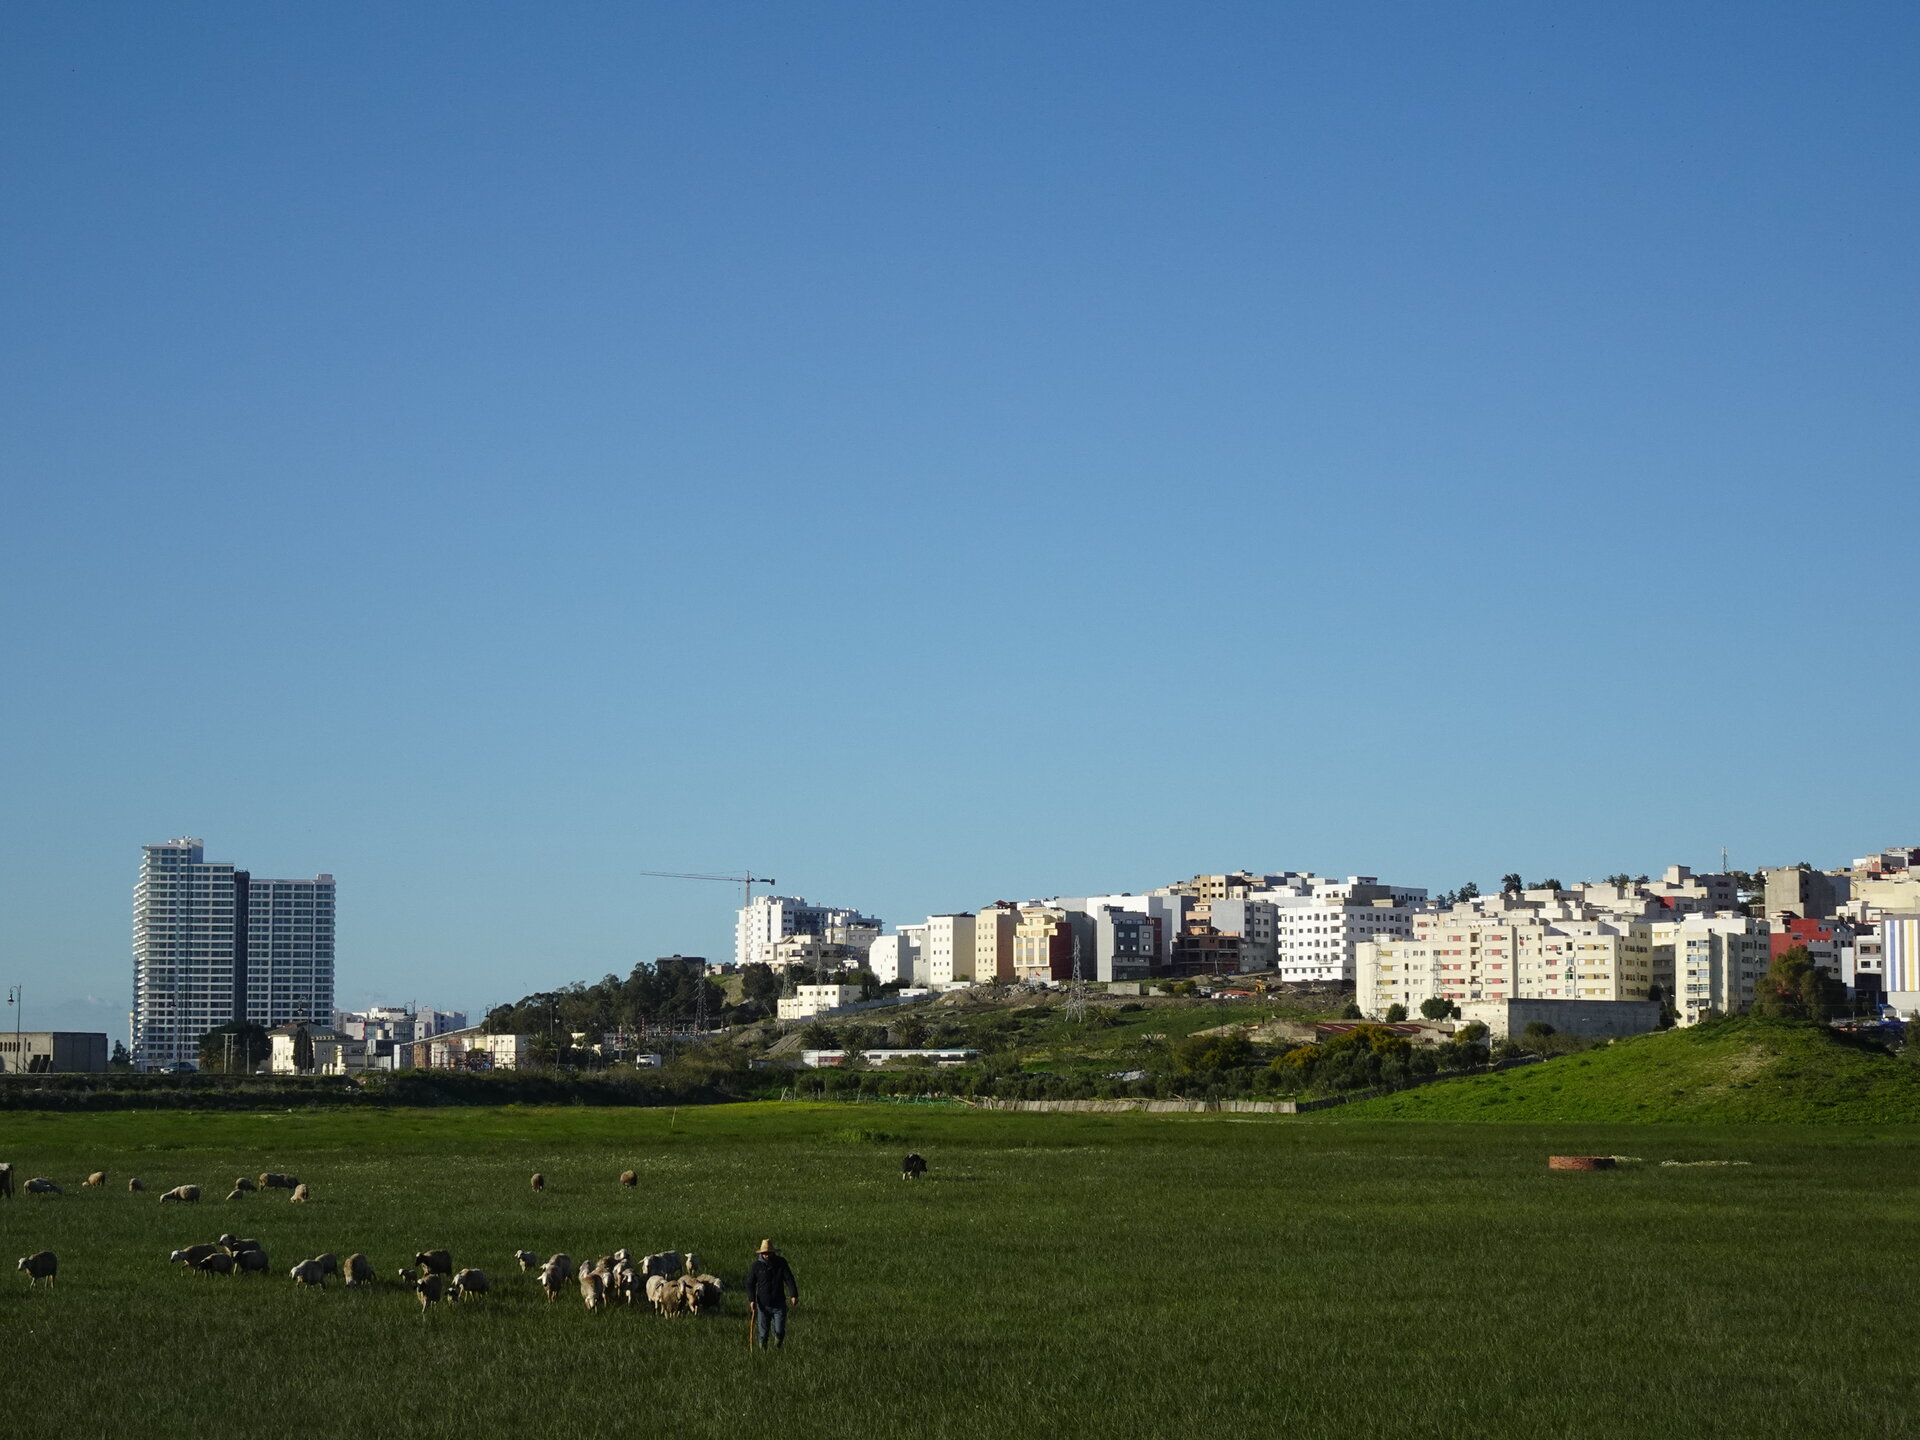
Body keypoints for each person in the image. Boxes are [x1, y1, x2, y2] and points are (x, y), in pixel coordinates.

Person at [746, 1239, 799, 1349]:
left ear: (773, 1252)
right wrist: (752, 1300)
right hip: (763, 1305)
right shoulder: (756, 1266)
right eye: (764, 1253)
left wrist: (794, 1294)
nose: (767, 1255)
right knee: (763, 1333)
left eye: (768, 1253)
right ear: (761, 1254)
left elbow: (789, 1279)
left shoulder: (781, 1263)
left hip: (779, 1303)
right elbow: (750, 1283)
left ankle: (777, 1348)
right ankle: (763, 1353)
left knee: (779, 1330)